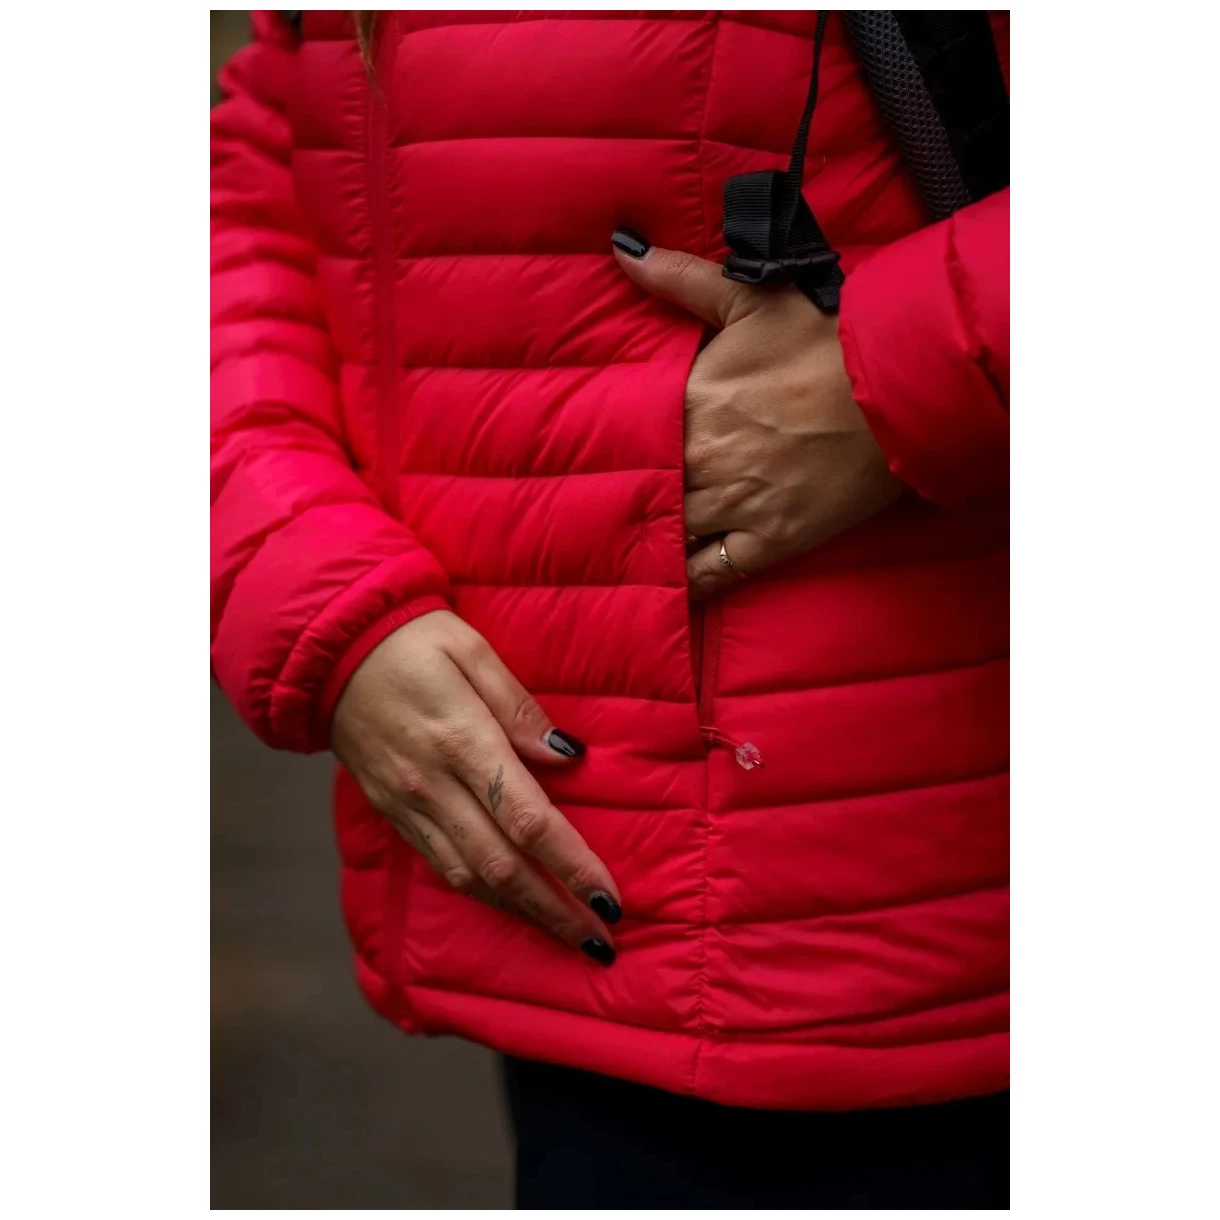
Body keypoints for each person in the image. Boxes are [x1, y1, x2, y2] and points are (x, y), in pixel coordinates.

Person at [211, 9, 1009, 1208]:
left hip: (938, 925)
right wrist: (314, 591)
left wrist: (910, 364)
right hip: (576, 912)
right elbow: (270, 154)